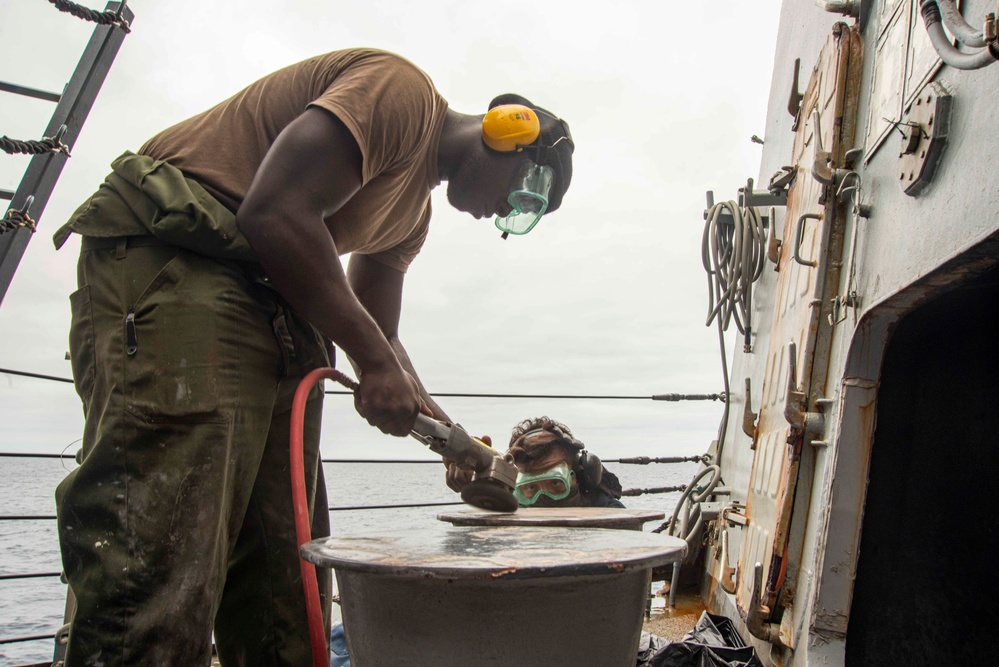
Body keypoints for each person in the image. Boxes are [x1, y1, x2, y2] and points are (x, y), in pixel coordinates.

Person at [51, 48, 573, 666]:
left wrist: (460, 449)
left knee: (285, 577)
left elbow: (381, 338)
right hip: (183, 258)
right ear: (508, 131)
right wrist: (376, 365)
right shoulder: (401, 94)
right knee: (161, 558)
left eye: (523, 217)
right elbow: (276, 210)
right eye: (524, 197)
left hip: (271, 307)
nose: (505, 217)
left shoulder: (410, 219)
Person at [447, 416, 624, 508]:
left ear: (579, 475)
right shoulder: (516, 511)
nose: (544, 497)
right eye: (531, 488)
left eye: (555, 483)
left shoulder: (608, 512)